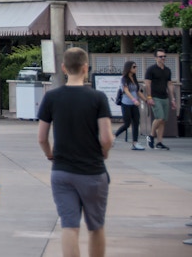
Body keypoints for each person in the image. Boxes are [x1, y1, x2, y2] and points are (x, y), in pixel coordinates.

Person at [37, 47, 112, 257]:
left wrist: (50, 154)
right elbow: (106, 138)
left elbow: (42, 137)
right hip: (92, 171)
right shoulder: (98, 98)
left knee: (69, 226)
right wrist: (104, 152)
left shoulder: (51, 97)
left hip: (62, 171)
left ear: (63, 68)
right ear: (86, 68)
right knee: (96, 226)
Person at [144, 49, 175, 150]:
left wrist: (173, 99)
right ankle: (151, 135)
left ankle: (159, 142)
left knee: (163, 121)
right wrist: (149, 97)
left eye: (164, 56)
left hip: (164, 97)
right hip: (155, 97)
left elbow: (169, 84)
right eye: (161, 56)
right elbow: (147, 84)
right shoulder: (151, 69)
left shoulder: (167, 70)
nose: (163, 58)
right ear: (156, 58)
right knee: (160, 117)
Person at [113, 61, 145, 149]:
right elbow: (126, 91)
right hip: (126, 103)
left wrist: (146, 100)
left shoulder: (134, 78)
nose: (136, 68)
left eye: (136, 66)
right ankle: (114, 136)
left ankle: (135, 143)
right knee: (127, 124)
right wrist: (134, 100)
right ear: (129, 68)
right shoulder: (124, 78)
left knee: (136, 122)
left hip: (134, 105)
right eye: (134, 67)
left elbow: (137, 91)